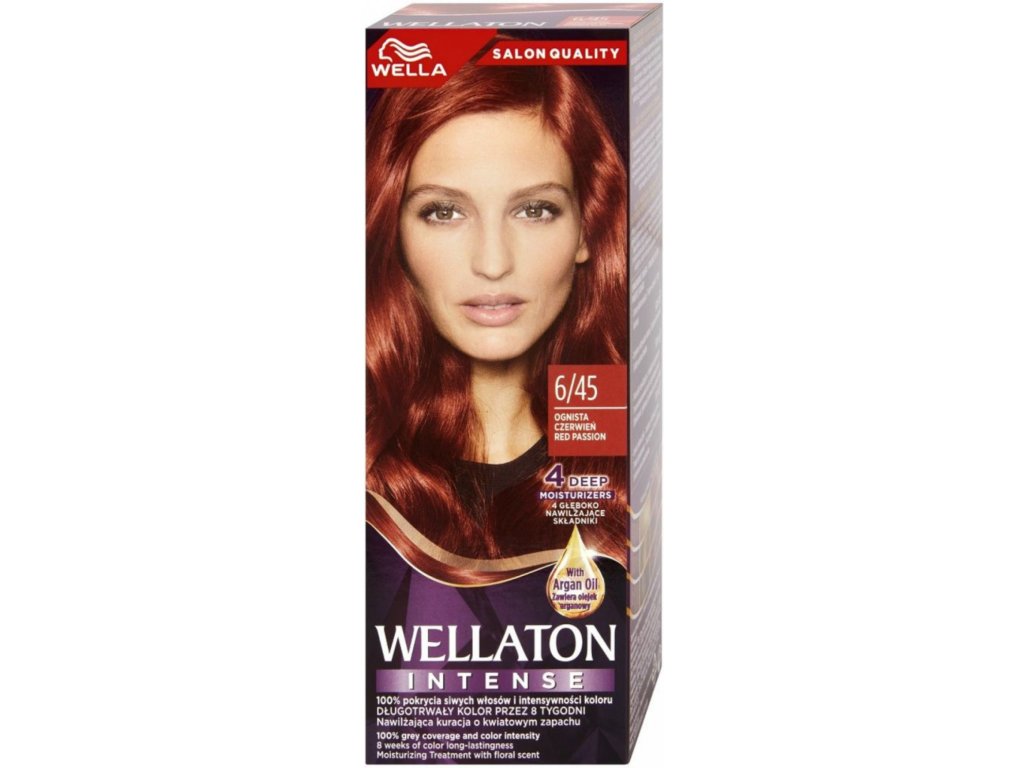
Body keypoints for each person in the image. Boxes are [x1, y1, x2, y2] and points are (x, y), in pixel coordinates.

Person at [366, 39, 629, 585]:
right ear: (393, 231)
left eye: (535, 210)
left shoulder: (635, 462)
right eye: (443, 212)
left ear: (588, 227)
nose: (492, 263)